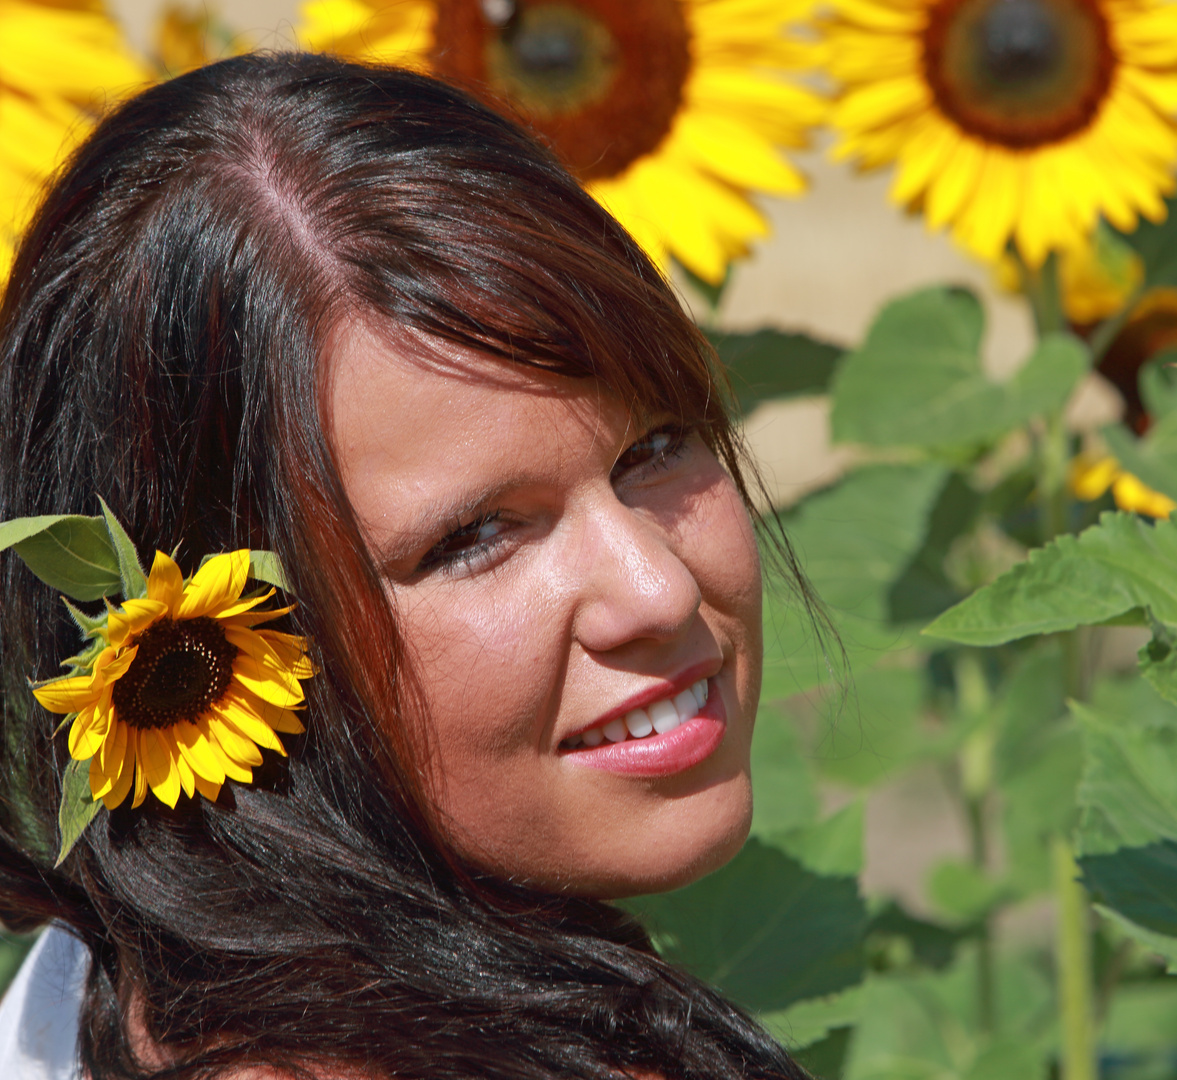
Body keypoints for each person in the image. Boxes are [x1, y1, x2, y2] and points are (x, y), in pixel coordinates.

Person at [0, 51, 812, 1080]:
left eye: (653, 449)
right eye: (475, 536)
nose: (659, 589)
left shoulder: (93, 1001)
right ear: (201, 661)